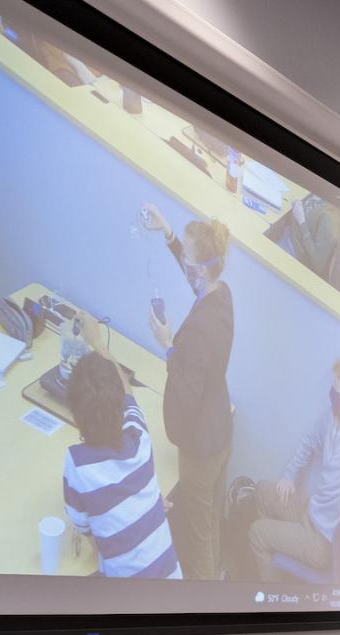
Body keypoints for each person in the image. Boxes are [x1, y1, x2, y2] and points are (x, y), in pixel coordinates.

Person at [138, 203, 234, 580]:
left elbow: (185, 392)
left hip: (200, 447)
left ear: (199, 269)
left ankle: (206, 602)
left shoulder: (198, 328)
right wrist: (169, 234)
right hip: (220, 432)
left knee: (196, 539)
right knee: (210, 523)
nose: (186, 268)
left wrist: (167, 345)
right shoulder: (221, 293)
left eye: (188, 262)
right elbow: (192, 269)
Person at [61, 322, 180, 580]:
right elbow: (124, 387)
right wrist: (99, 343)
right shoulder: (139, 436)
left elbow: (89, 536)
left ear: (74, 413)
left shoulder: (77, 464)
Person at [249, 359, 340, 581]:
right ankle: (272, 566)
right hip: (310, 510)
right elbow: (309, 443)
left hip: (321, 541)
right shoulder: (331, 419)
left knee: (256, 533)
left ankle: (273, 601)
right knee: (262, 490)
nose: (334, 388)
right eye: (335, 381)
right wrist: (290, 475)